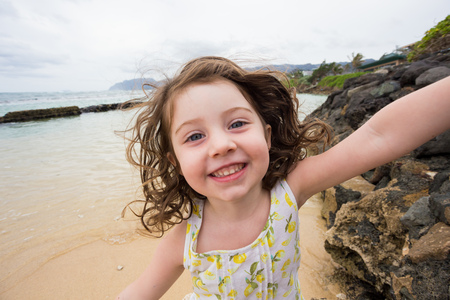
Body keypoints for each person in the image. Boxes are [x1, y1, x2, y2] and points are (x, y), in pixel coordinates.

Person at [116, 56, 450, 300]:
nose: (222, 145)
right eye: (194, 137)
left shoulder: (288, 190)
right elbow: (140, 292)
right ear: (175, 163)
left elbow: (378, 136)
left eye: (236, 124)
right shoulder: (185, 237)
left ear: (266, 135)